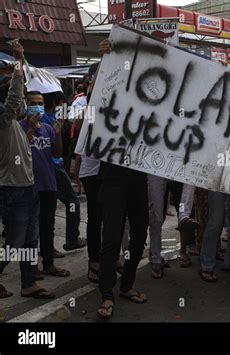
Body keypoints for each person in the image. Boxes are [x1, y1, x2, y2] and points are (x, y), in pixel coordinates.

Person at [0, 41, 55, 312]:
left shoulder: (18, 126)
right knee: (14, 242)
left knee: (30, 239)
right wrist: (19, 61)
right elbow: (12, 98)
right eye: (23, 99)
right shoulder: (4, 118)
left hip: (27, 187)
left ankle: (29, 281)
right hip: (13, 189)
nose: (25, 103)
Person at [96, 39, 148, 320]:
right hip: (113, 175)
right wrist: (106, 60)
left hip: (138, 174)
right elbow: (99, 96)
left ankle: (127, 284)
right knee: (111, 238)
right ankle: (107, 294)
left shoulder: (147, 101)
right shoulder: (109, 97)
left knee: (140, 233)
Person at [19, 91, 71, 278]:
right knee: (29, 232)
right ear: (26, 104)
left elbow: (57, 154)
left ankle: (48, 263)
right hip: (28, 186)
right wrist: (31, 130)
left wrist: (57, 134)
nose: (37, 106)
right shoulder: (19, 127)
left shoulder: (48, 129)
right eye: (33, 102)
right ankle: (31, 269)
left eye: (40, 102)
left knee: (47, 227)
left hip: (48, 184)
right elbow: (20, 151)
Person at [42, 92, 86, 253]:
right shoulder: (49, 120)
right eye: (62, 103)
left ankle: (48, 246)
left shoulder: (49, 118)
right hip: (54, 167)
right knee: (72, 202)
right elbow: (57, 152)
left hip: (51, 168)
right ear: (56, 103)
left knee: (47, 208)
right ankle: (72, 239)